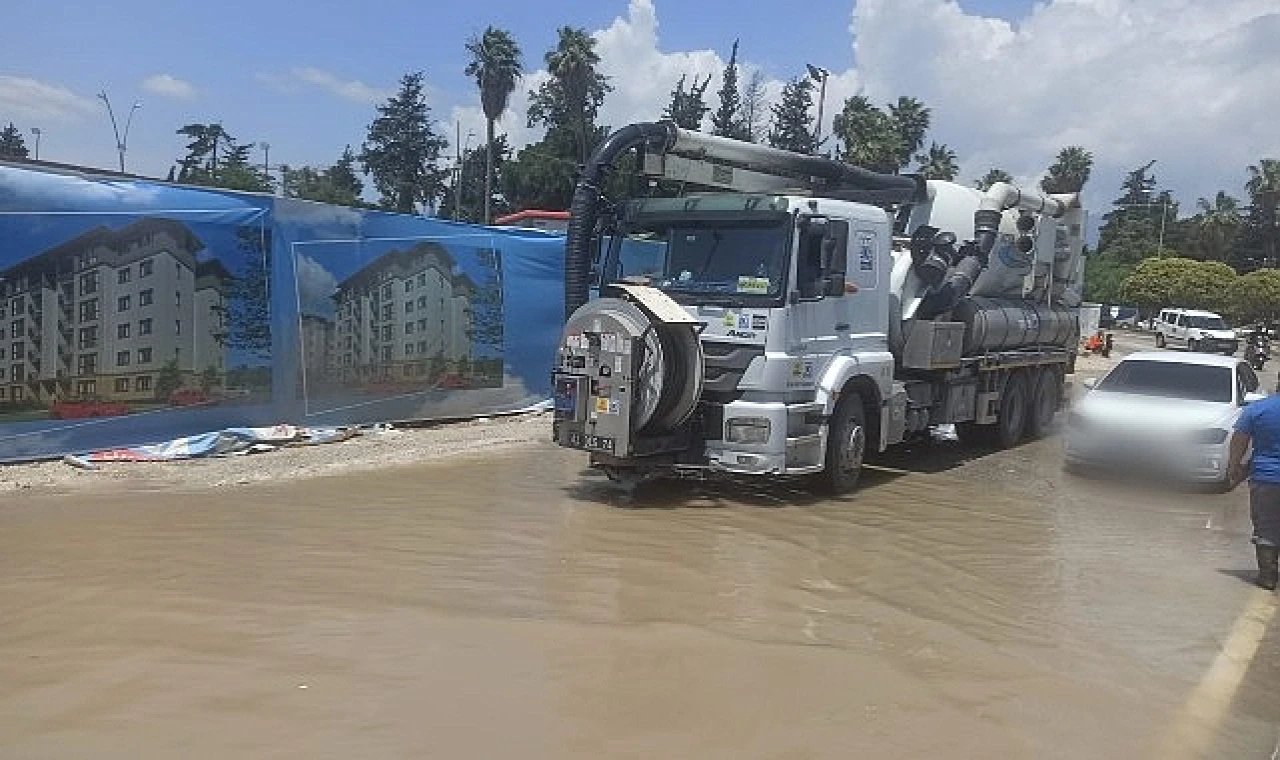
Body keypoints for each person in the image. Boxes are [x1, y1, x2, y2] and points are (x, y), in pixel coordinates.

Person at [1227, 394, 1280, 590]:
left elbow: (1239, 440)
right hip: (1265, 476)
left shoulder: (1258, 409)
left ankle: (1268, 577)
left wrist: (1234, 466)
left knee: (1266, 526)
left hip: (1266, 478)